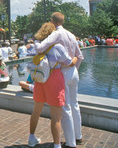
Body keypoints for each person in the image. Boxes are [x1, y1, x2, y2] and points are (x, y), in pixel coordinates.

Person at [33, 12, 84, 148]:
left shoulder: (56, 34)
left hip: (62, 72)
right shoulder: (72, 35)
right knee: (75, 104)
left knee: (65, 107)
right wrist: (75, 69)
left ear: (52, 21)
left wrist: (36, 41)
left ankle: (71, 143)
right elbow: (80, 56)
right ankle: (78, 136)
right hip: (74, 73)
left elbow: (40, 48)